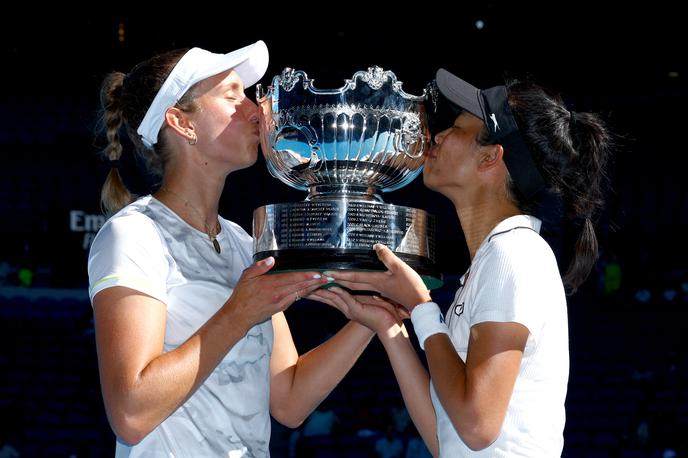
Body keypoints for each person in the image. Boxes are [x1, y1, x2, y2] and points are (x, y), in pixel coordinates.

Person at [89, 40, 379, 457]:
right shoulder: (134, 235)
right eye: (232, 96)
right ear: (181, 122)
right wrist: (240, 312)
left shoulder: (244, 243)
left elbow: (289, 400)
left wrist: (370, 320)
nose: (257, 110)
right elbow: (131, 414)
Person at [311, 68, 613, 456]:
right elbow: (446, 438)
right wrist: (391, 330)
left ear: (490, 157)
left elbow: (476, 425)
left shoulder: (515, 254)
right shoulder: (495, 258)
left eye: (457, 126)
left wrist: (422, 307)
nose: (438, 135)